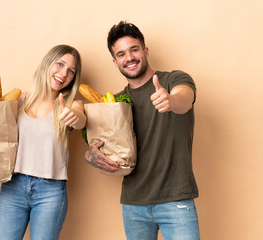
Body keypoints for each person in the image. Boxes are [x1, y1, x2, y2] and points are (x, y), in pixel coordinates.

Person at [85, 21, 200, 240]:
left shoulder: (173, 79)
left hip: (175, 201)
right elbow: (96, 143)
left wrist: (171, 100)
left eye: (134, 49)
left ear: (145, 50)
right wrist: (91, 155)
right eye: (121, 54)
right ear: (115, 61)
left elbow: (185, 98)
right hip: (133, 205)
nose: (129, 58)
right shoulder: (116, 104)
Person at [0, 44, 86, 240]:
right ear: (47, 64)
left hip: (51, 193)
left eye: (71, 71)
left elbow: (80, 119)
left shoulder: (71, 105)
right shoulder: (18, 100)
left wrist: (73, 116)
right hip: (13, 186)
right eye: (60, 64)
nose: (64, 73)